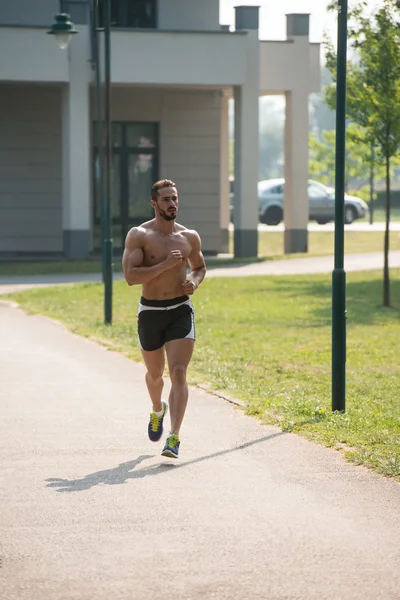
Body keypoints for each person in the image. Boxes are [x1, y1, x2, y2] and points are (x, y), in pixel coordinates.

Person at [122, 179, 206, 458]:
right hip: (151, 312)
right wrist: (164, 265)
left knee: (178, 371)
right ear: (154, 203)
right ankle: (158, 409)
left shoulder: (189, 237)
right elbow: (131, 277)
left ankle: (174, 437)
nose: (172, 203)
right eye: (166, 199)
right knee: (155, 374)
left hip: (180, 309)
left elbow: (200, 267)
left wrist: (193, 282)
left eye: (175, 198)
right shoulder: (139, 235)